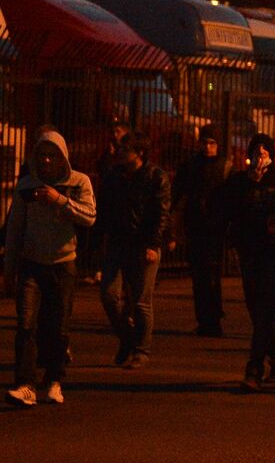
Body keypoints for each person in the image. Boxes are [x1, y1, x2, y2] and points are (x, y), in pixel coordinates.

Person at [5, 129, 96, 407]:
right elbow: (14, 228)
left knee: (58, 326)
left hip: (62, 264)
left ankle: (55, 379)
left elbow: (90, 216)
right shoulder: (26, 186)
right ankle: (25, 384)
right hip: (32, 264)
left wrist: (59, 200)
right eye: (42, 155)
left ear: (62, 157)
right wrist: (9, 271)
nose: (46, 160)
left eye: (52, 155)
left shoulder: (78, 182)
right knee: (26, 324)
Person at [223, 134, 275, 390]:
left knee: (266, 309)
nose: (260, 157)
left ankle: (254, 368)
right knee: (255, 308)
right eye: (255, 152)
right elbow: (224, 209)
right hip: (250, 251)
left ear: (271, 155)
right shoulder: (240, 181)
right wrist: (248, 185)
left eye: (264, 152)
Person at [95, 131, 170, 370]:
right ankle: (128, 337)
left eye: (125, 149)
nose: (120, 152)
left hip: (143, 244)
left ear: (139, 153)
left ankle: (141, 350)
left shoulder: (155, 177)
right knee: (109, 294)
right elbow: (104, 209)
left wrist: (153, 245)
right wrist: (101, 241)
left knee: (141, 301)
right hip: (118, 242)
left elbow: (161, 214)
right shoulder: (113, 176)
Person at [171, 125, 231, 337]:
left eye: (212, 143)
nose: (208, 147)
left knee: (212, 273)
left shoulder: (225, 167)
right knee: (199, 274)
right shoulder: (190, 166)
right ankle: (205, 318)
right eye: (205, 143)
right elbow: (177, 193)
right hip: (196, 225)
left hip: (215, 227)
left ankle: (212, 318)